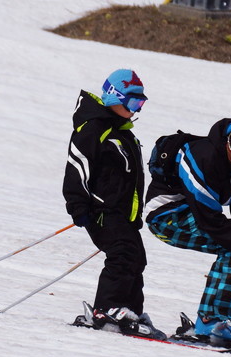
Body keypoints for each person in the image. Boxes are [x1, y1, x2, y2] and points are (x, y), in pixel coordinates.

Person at [144, 104, 231, 353]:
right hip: (166, 215)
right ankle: (210, 320)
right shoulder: (203, 156)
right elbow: (210, 221)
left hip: (199, 215)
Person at [62, 68, 164, 340]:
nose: (137, 108)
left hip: (123, 216)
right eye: (133, 102)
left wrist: (134, 215)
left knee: (136, 258)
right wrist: (78, 206)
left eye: (141, 103)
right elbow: (77, 167)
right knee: (121, 255)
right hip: (99, 212)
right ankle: (107, 309)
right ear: (114, 98)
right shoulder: (93, 127)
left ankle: (130, 312)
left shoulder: (123, 133)